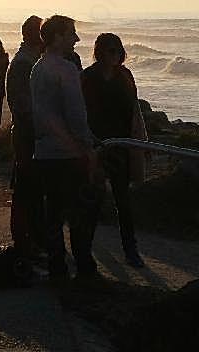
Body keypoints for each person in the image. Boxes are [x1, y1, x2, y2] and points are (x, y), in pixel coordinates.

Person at [29, 15, 99, 280]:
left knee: (54, 213)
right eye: (71, 34)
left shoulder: (37, 67)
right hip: (68, 154)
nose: (76, 39)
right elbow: (75, 114)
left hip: (45, 152)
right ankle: (84, 266)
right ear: (57, 37)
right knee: (82, 212)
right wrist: (88, 146)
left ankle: (57, 267)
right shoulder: (66, 69)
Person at [81, 33, 144, 268]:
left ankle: (131, 249)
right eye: (110, 51)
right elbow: (80, 111)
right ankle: (85, 250)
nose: (115, 55)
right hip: (95, 144)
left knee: (123, 200)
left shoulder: (125, 76)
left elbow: (135, 111)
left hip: (121, 145)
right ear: (100, 52)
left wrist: (140, 141)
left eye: (118, 51)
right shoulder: (87, 77)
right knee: (92, 199)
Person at [7, 16, 44, 266]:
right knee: (25, 190)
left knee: (31, 190)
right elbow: (23, 106)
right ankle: (25, 245)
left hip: (29, 135)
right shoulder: (24, 64)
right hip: (27, 137)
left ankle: (33, 242)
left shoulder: (28, 61)